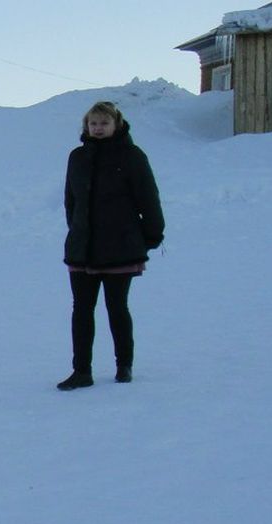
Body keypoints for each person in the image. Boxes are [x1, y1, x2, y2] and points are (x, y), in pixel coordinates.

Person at [57, 100, 165, 390]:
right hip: (82, 247)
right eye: (93, 123)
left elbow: (148, 199)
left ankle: (124, 366)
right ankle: (81, 371)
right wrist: (77, 229)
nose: (98, 128)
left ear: (116, 124)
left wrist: (152, 235)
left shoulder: (132, 156)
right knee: (81, 309)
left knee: (117, 307)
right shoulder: (77, 157)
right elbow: (71, 200)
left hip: (120, 246)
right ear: (86, 126)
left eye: (104, 123)